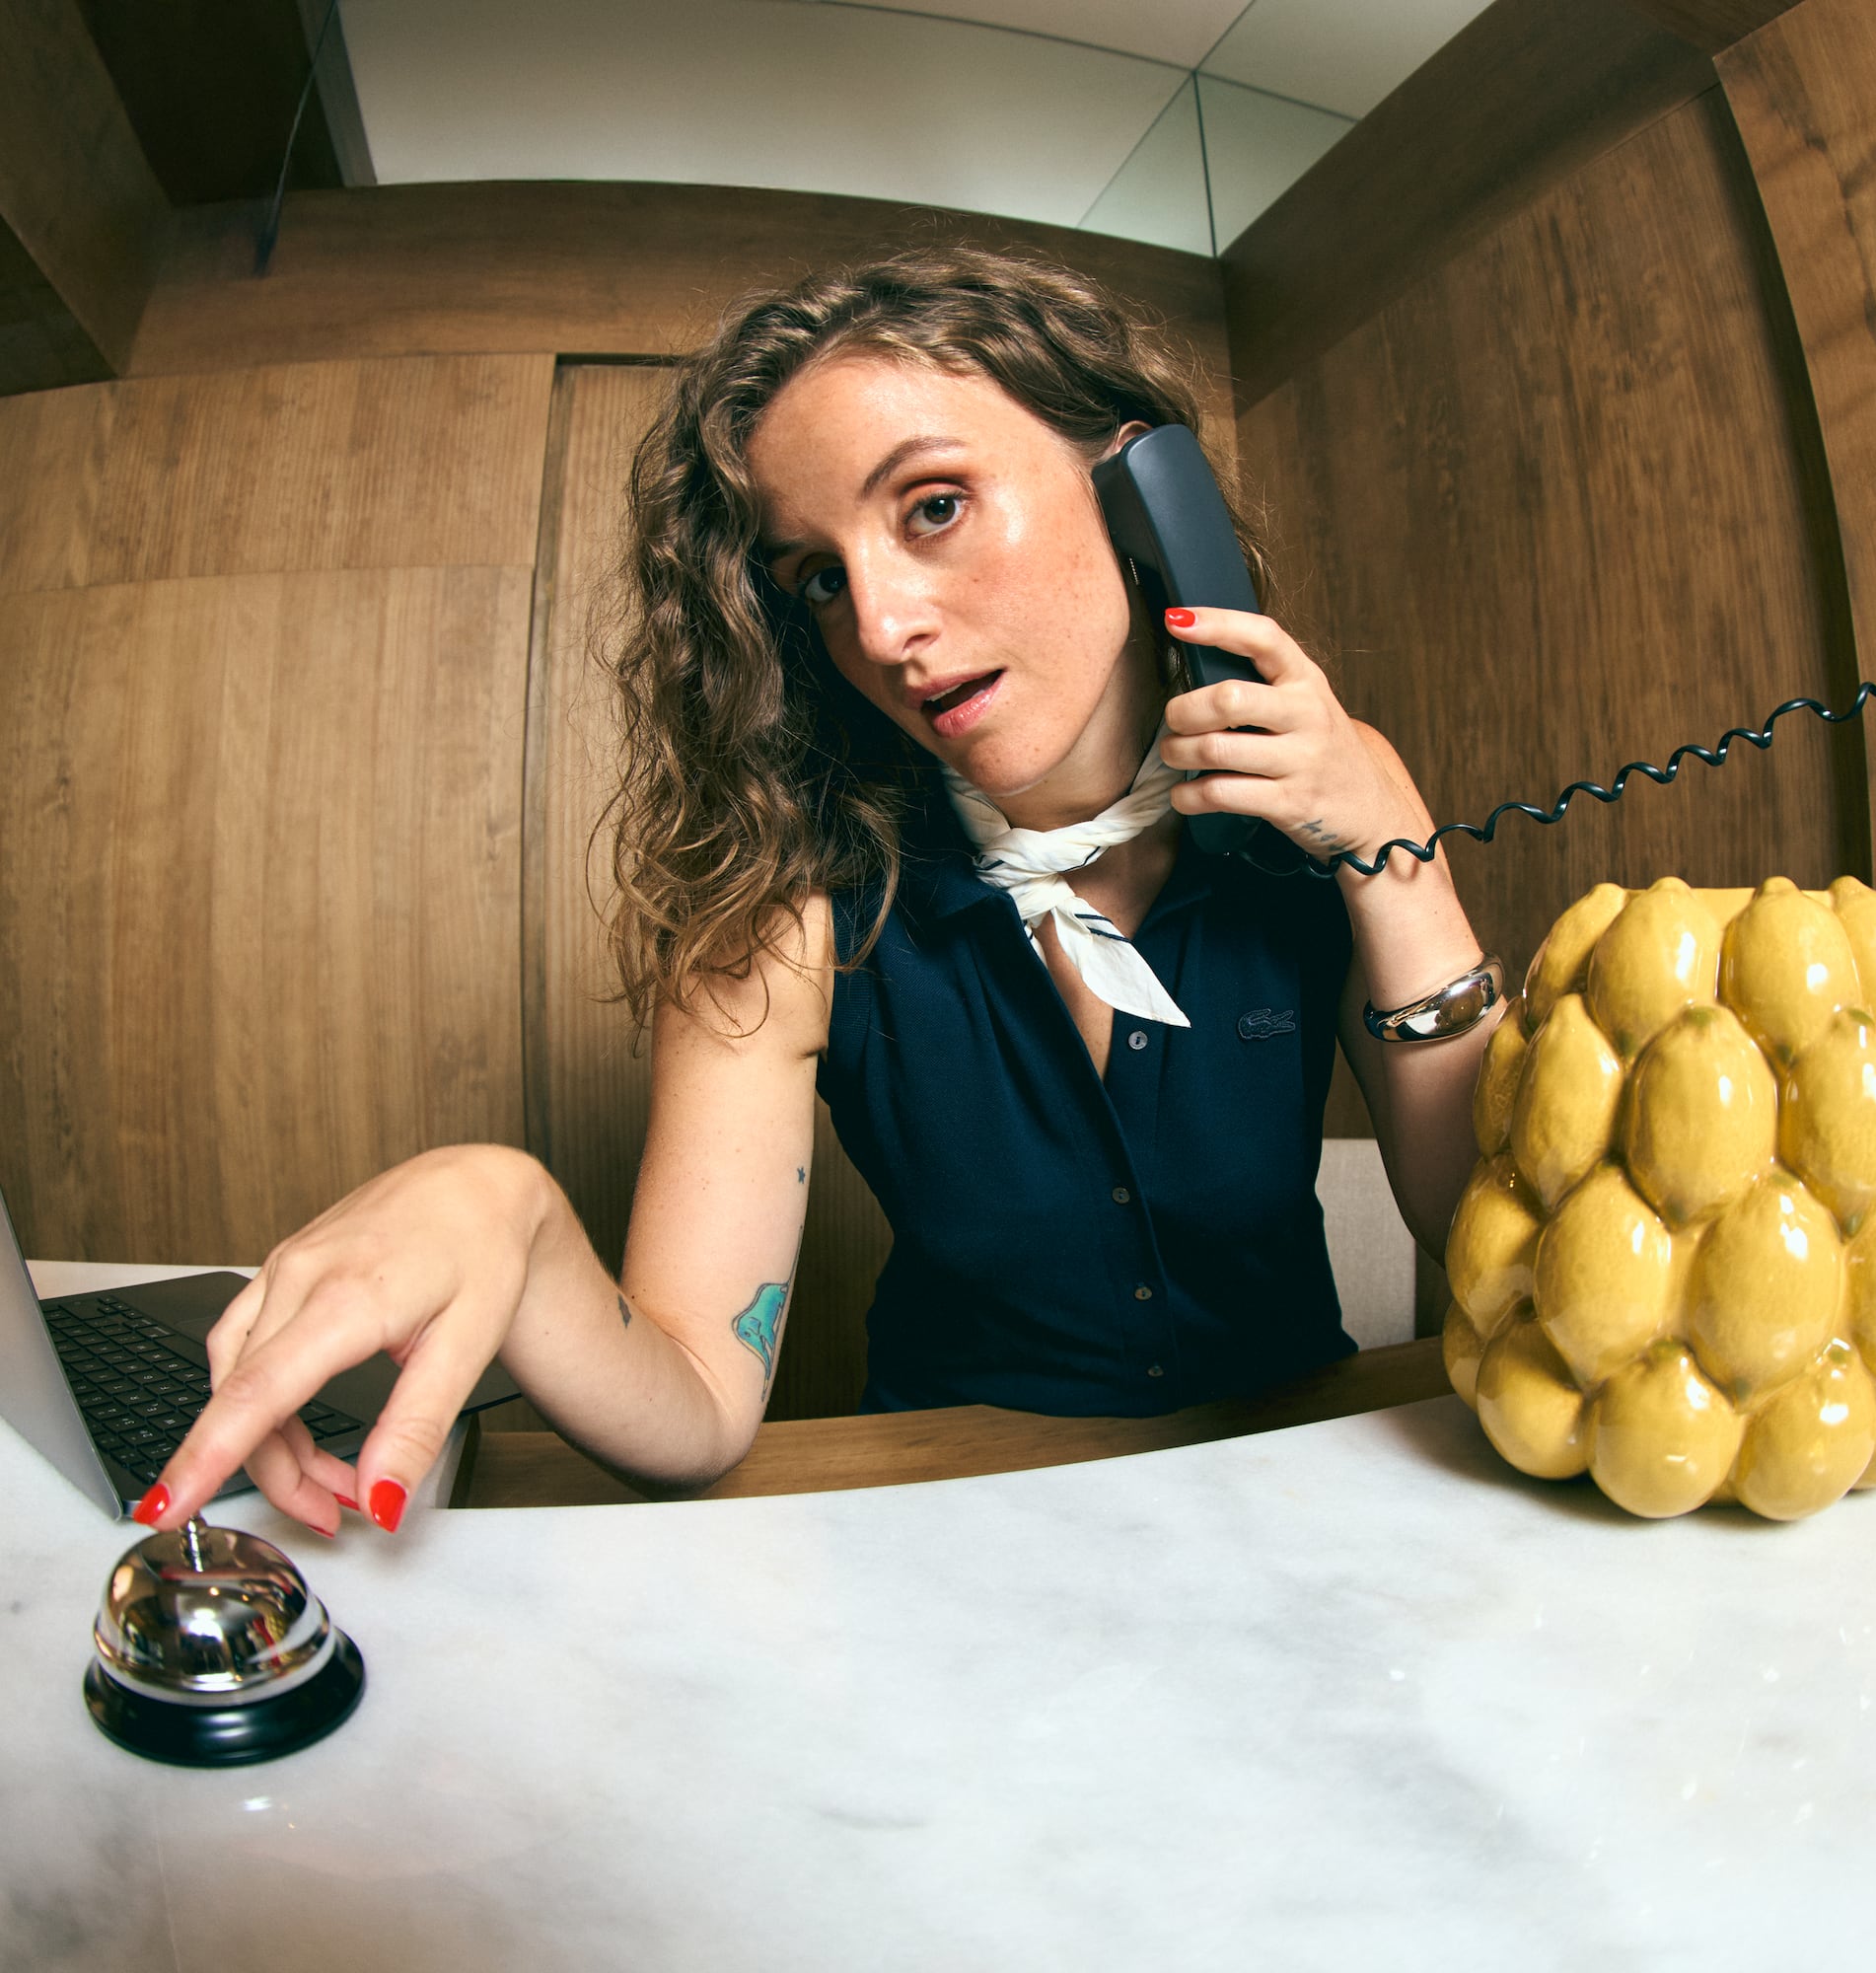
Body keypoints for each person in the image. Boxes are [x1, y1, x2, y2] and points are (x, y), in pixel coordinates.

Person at [140, 246, 1502, 1537]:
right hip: (952, 1526)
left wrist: (1396, 851)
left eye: (935, 507)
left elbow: (1486, 1248)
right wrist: (510, 1213)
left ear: (1147, 492)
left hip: (1309, 1494)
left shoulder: (1325, 820)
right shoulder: (793, 911)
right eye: (816, 581)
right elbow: (694, 1409)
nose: (884, 627)